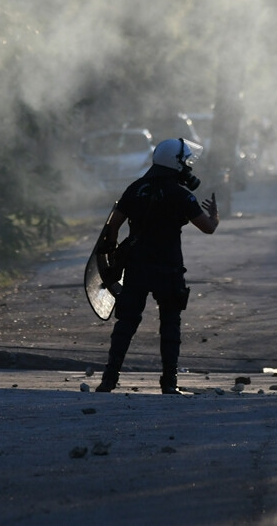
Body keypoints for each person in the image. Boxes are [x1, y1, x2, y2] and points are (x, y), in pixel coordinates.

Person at [94, 138, 219, 394]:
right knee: (170, 324)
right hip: (168, 267)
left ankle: (109, 380)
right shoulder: (182, 195)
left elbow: (112, 226)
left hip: (137, 266)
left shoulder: (136, 188)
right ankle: (169, 384)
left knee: (126, 323)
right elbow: (208, 228)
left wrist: (112, 254)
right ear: (176, 163)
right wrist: (215, 216)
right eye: (185, 162)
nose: (188, 167)